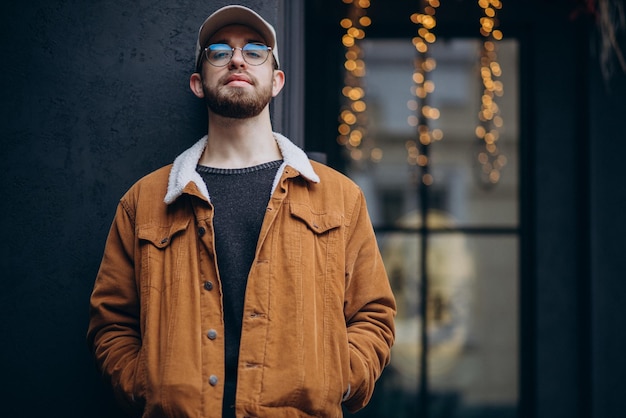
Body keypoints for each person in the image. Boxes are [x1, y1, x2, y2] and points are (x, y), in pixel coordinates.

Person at [87, 5, 396, 417]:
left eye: (255, 51)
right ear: (198, 83)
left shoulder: (340, 197)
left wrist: (339, 378)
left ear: (277, 80)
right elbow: (111, 322)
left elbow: (374, 314)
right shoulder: (144, 201)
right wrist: (145, 383)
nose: (236, 59)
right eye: (219, 51)